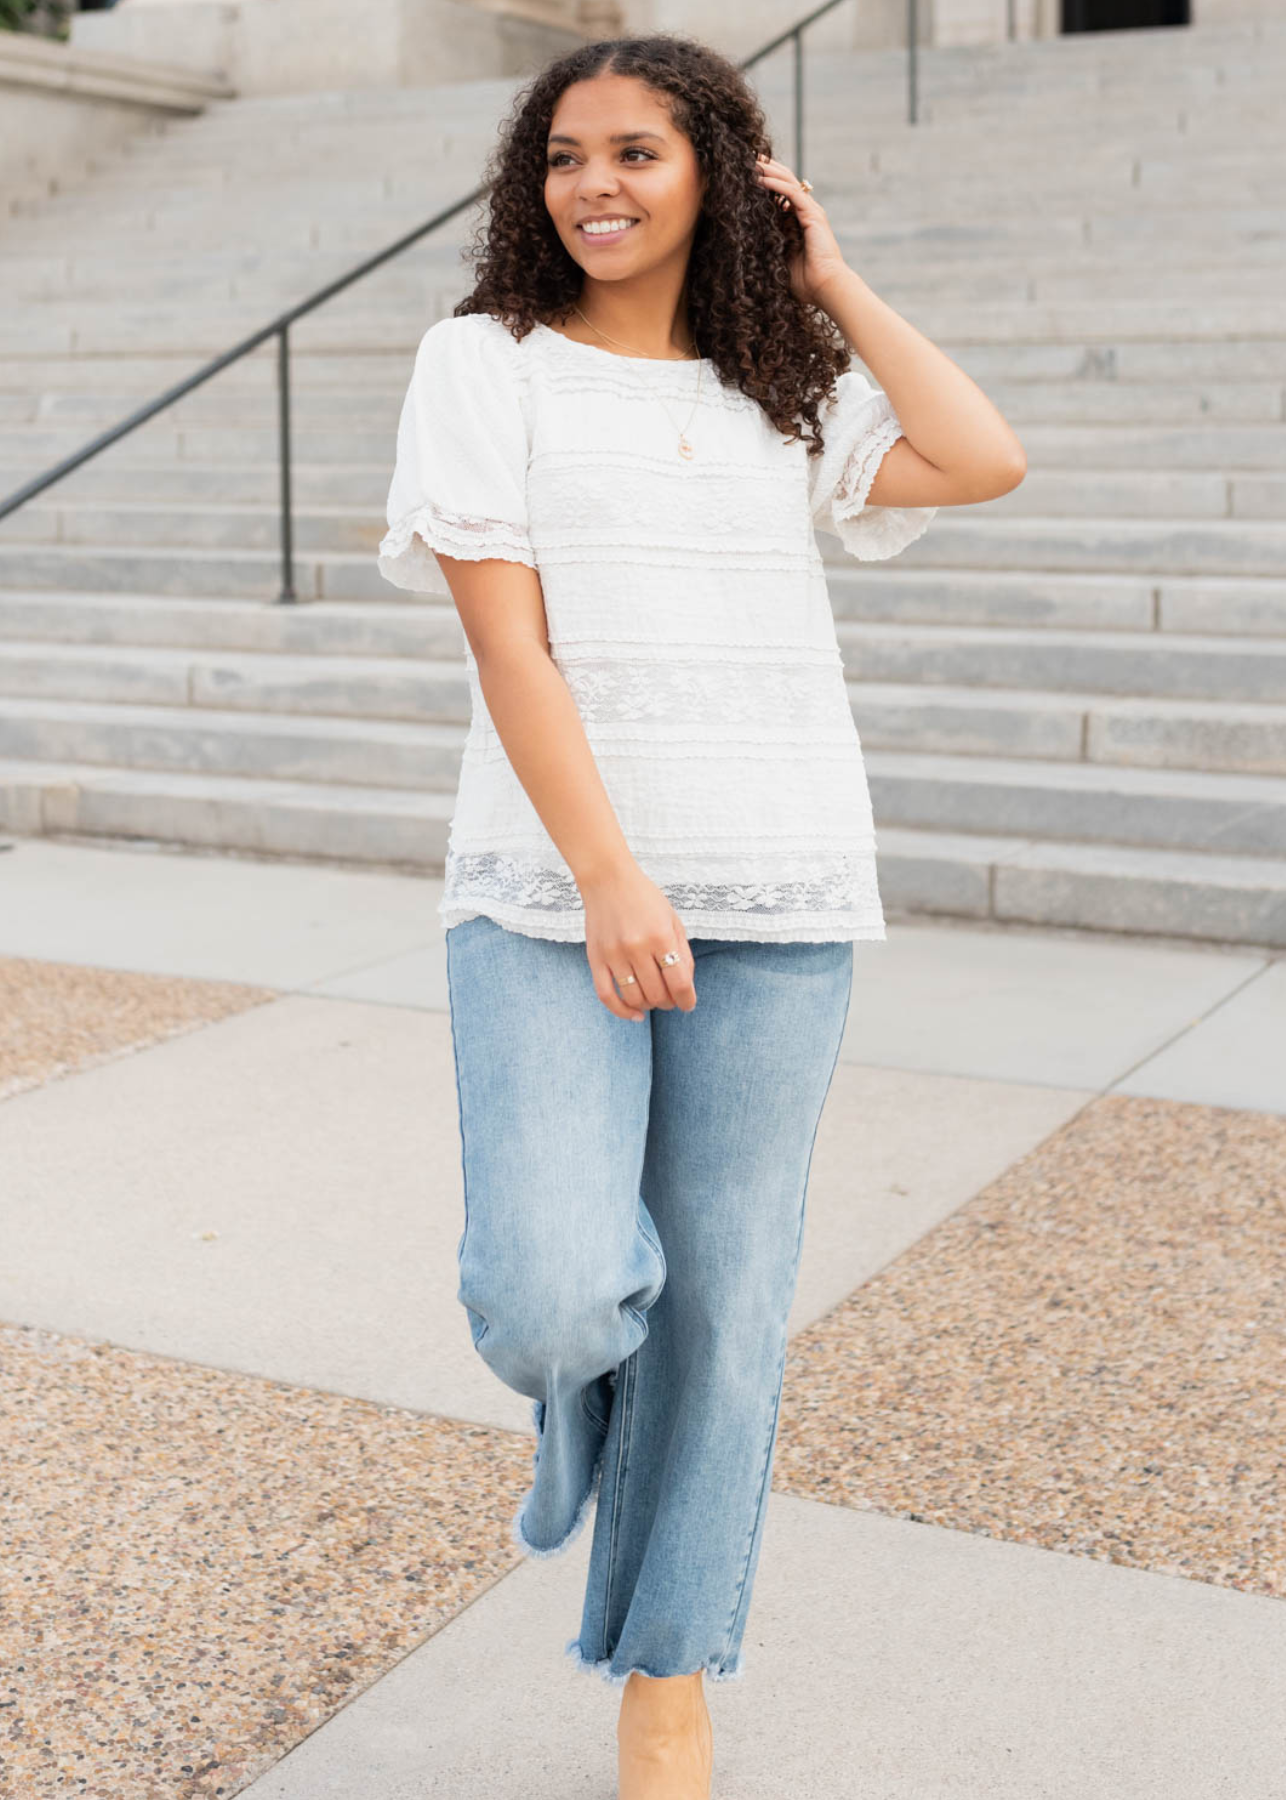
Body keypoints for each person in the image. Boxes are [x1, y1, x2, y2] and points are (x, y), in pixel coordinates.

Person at [378, 29, 1025, 1800]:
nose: (594, 184)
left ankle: (666, 1670)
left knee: (727, 1309)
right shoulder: (480, 363)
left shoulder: (779, 386)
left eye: (639, 154)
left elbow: (982, 460)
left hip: (776, 880)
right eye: (567, 155)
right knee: (556, 1295)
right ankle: (588, 1392)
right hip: (545, 891)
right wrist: (604, 876)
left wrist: (830, 276)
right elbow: (508, 642)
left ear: (717, 174)